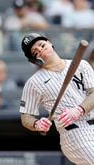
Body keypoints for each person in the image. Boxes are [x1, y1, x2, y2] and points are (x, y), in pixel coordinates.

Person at [19, 32, 94, 164]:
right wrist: (36, 124)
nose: (40, 50)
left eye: (42, 45)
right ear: (34, 60)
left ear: (49, 43)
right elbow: (26, 117)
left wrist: (79, 109)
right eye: (35, 52)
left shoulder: (82, 65)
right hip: (74, 133)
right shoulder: (34, 82)